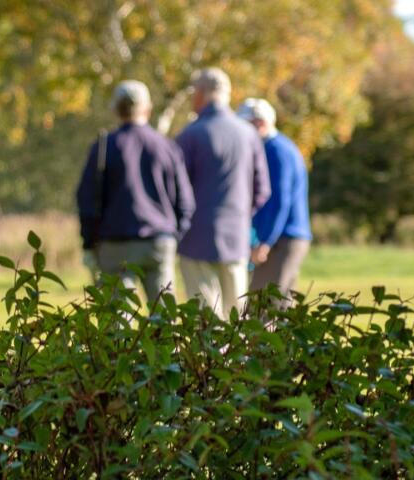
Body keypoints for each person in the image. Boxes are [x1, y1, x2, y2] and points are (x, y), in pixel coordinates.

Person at [75, 80, 194, 305]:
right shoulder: (166, 146)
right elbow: (185, 202)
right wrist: (174, 234)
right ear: (147, 109)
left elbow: (87, 200)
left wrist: (89, 242)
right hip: (159, 240)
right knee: (164, 315)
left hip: (115, 244)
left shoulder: (105, 147)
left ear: (116, 109)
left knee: (118, 318)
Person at [174, 68, 270, 318]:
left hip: (196, 237)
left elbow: (174, 190)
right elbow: (262, 189)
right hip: (236, 236)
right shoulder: (248, 134)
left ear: (200, 94)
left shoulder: (190, 136)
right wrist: (241, 213)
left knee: (206, 317)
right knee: (236, 315)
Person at [241, 99, 312, 299]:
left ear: (260, 123)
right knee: (281, 308)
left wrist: (264, 241)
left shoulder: (276, 151)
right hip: (283, 238)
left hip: (282, 240)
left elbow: (279, 201)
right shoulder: (276, 147)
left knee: (262, 305)